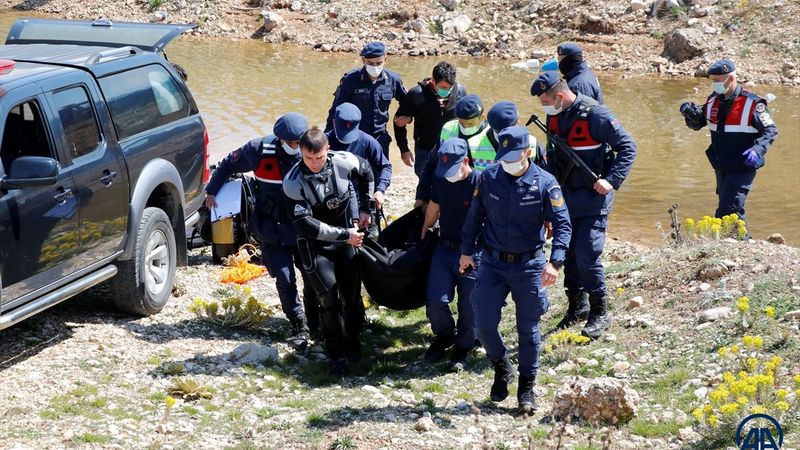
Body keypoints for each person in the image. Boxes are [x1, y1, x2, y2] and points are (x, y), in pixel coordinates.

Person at [459, 126, 571, 414]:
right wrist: (466, 252)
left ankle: (527, 387)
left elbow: (563, 225)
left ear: (527, 152)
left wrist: (555, 263)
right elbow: (474, 217)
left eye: (513, 156)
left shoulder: (545, 183)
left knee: (528, 330)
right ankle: (501, 367)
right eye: (503, 156)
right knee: (482, 324)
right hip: (493, 263)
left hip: (530, 265)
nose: (507, 162)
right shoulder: (488, 178)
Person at [530, 71, 637, 340]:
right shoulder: (553, 116)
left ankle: (600, 310)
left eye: (546, 100)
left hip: (594, 195)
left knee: (587, 251)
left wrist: (611, 180)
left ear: (561, 95)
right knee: (569, 252)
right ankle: (577, 306)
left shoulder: (597, 115)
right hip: (565, 195)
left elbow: (628, 147)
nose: (544, 106)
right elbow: (552, 160)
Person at [205, 113, 315, 351]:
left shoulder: (313, 150)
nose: (294, 147)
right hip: (271, 228)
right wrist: (212, 191)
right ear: (280, 139)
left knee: (311, 274)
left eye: (298, 143)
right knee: (284, 278)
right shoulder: (258, 150)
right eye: (290, 143)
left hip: (303, 228)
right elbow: (227, 164)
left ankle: (317, 320)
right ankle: (298, 323)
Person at [282, 127, 375, 375]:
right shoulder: (292, 181)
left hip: (347, 242)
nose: (314, 163)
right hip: (315, 246)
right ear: (300, 152)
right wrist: (346, 234)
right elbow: (306, 225)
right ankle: (337, 355)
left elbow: (367, 172)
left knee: (352, 298)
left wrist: (367, 210)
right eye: (308, 158)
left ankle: (354, 343)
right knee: (329, 299)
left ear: (328, 150)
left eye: (319, 157)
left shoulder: (344, 161)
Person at [680, 59, 778, 229]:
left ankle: (716, 240)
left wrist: (757, 150)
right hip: (721, 164)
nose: (714, 85)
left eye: (717, 81)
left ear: (730, 79)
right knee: (734, 209)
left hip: (743, 165)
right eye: (712, 80)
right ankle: (742, 241)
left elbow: (771, 130)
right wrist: (690, 115)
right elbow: (699, 124)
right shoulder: (713, 101)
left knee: (728, 208)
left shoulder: (752, 103)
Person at [420, 138, 481, 372]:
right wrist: (425, 228)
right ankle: (444, 336)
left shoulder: (482, 183)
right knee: (436, 300)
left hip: (474, 253)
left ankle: (462, 348)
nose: (448, 174)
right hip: (445, 249)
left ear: (465, 161)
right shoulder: (441, 177)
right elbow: (435, 205)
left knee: (469, 305)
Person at [325, 42, 407, 158]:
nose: (375, 67)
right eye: (370, 63)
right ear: (363, 60)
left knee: (381, 172)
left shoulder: (393, 80)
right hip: (355, 137)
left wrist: (408, 118)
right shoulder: (350, 80)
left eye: (378, 63)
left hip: (380, 138)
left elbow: (407, 104)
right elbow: (336, 110)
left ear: (385, 58)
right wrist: (326, 139)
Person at [414, 95, 495, 206]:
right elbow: (432, 164)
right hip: (450, 194)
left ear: (482, 117)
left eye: (470, 124)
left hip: (481, 199)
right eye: (462, 123)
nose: (465, 127)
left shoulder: (492, 137)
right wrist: (421, 196)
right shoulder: (448, 130)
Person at [393, 61, 467, 175]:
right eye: (443, 87)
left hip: (452, 148)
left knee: (450, 180)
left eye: (450, 87)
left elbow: (466, 119)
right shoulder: (417, 94)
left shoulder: (460, 91)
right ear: (433, 81)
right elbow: (398, 122)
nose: (447, 91)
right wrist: (404, 149)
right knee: (425, 181)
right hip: (425, 148)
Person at [327, 102, 392, 214]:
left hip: (361, 199)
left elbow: (385, 167)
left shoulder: (368, 142)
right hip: (331, 201)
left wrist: (380, 190)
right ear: (333, 123)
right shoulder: (323, 142)